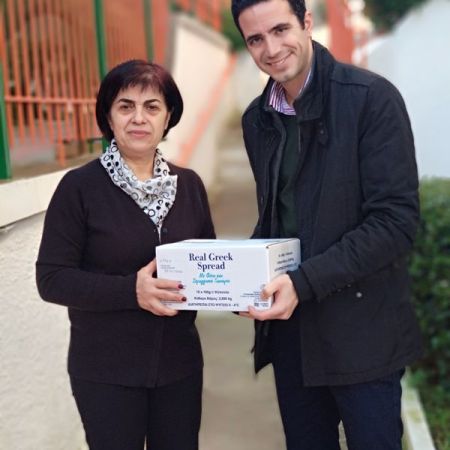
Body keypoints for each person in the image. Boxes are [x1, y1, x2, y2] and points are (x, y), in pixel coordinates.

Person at [230, 1, 422, 449]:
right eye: (255, 39)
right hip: (292, 336)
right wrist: (241, 275)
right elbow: (278, 215)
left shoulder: (371, 99)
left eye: (281, 30)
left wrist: (303, 282)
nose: (271, 49)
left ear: (307, 23)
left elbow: (395, 222)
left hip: (363, 334)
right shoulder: (257, 120)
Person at [36, 60, 215, 450]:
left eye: (152, 106)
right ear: (108, 116)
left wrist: (243, 292)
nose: (139, 118)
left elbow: (209, 264)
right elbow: (52, 279)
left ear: (168, 117)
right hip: (106, 371)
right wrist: (131, 291)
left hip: (180, 366)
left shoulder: (189, 185)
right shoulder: (79, 188)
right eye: (125, 106)